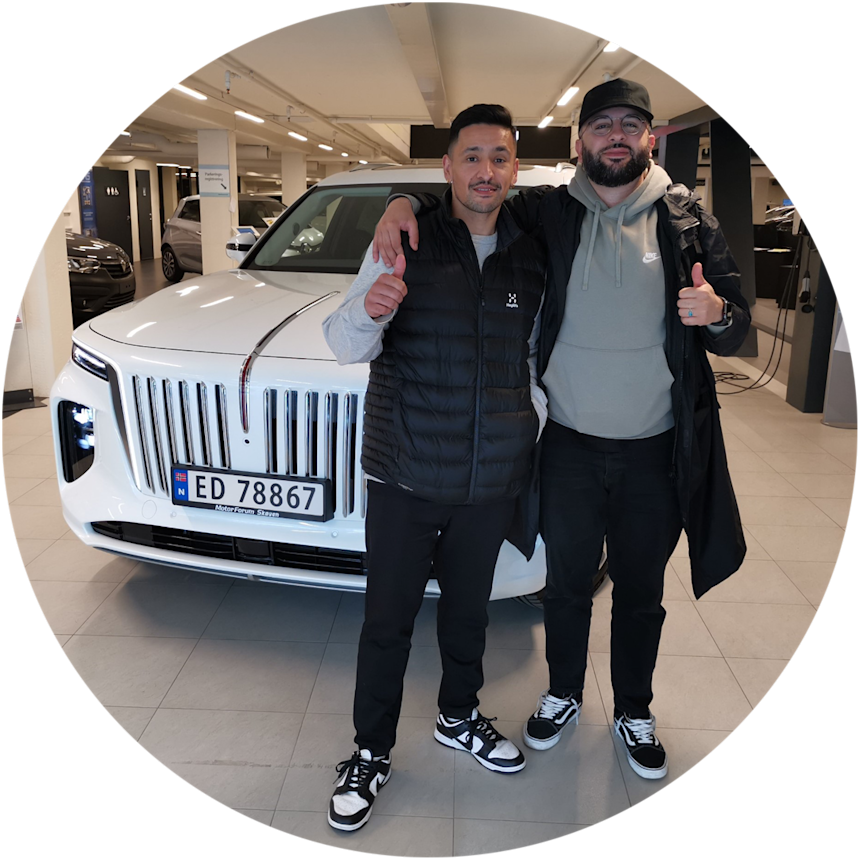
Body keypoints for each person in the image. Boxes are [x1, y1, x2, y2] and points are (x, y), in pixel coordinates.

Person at [372, 78, 750, 782]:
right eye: (602, 124)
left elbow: (738, 330)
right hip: (569, 444)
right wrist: (401, 203)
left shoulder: (685, 220)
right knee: (567, 587)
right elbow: (469, 200)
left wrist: (717, 314)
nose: (616, 135)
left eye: (629, 124)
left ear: (649, 137)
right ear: (581, 141)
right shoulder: (549, 210)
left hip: (657, 447)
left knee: (640, 591)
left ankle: (634, 710)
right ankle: (563, 694)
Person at [322, 103, 549, 832]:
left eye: (499, 158)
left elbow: (530, 357)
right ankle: (370, 750)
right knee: (387, 622)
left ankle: (458, 716)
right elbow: (344, 342)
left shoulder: (529, 254)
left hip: (487, 479)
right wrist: (371, 308)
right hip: (406, 473)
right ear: (447, 167)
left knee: (467, 615)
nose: (486, 171)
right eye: (472, 157)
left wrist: (526, 420)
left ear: (514, 170)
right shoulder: (405, 239)